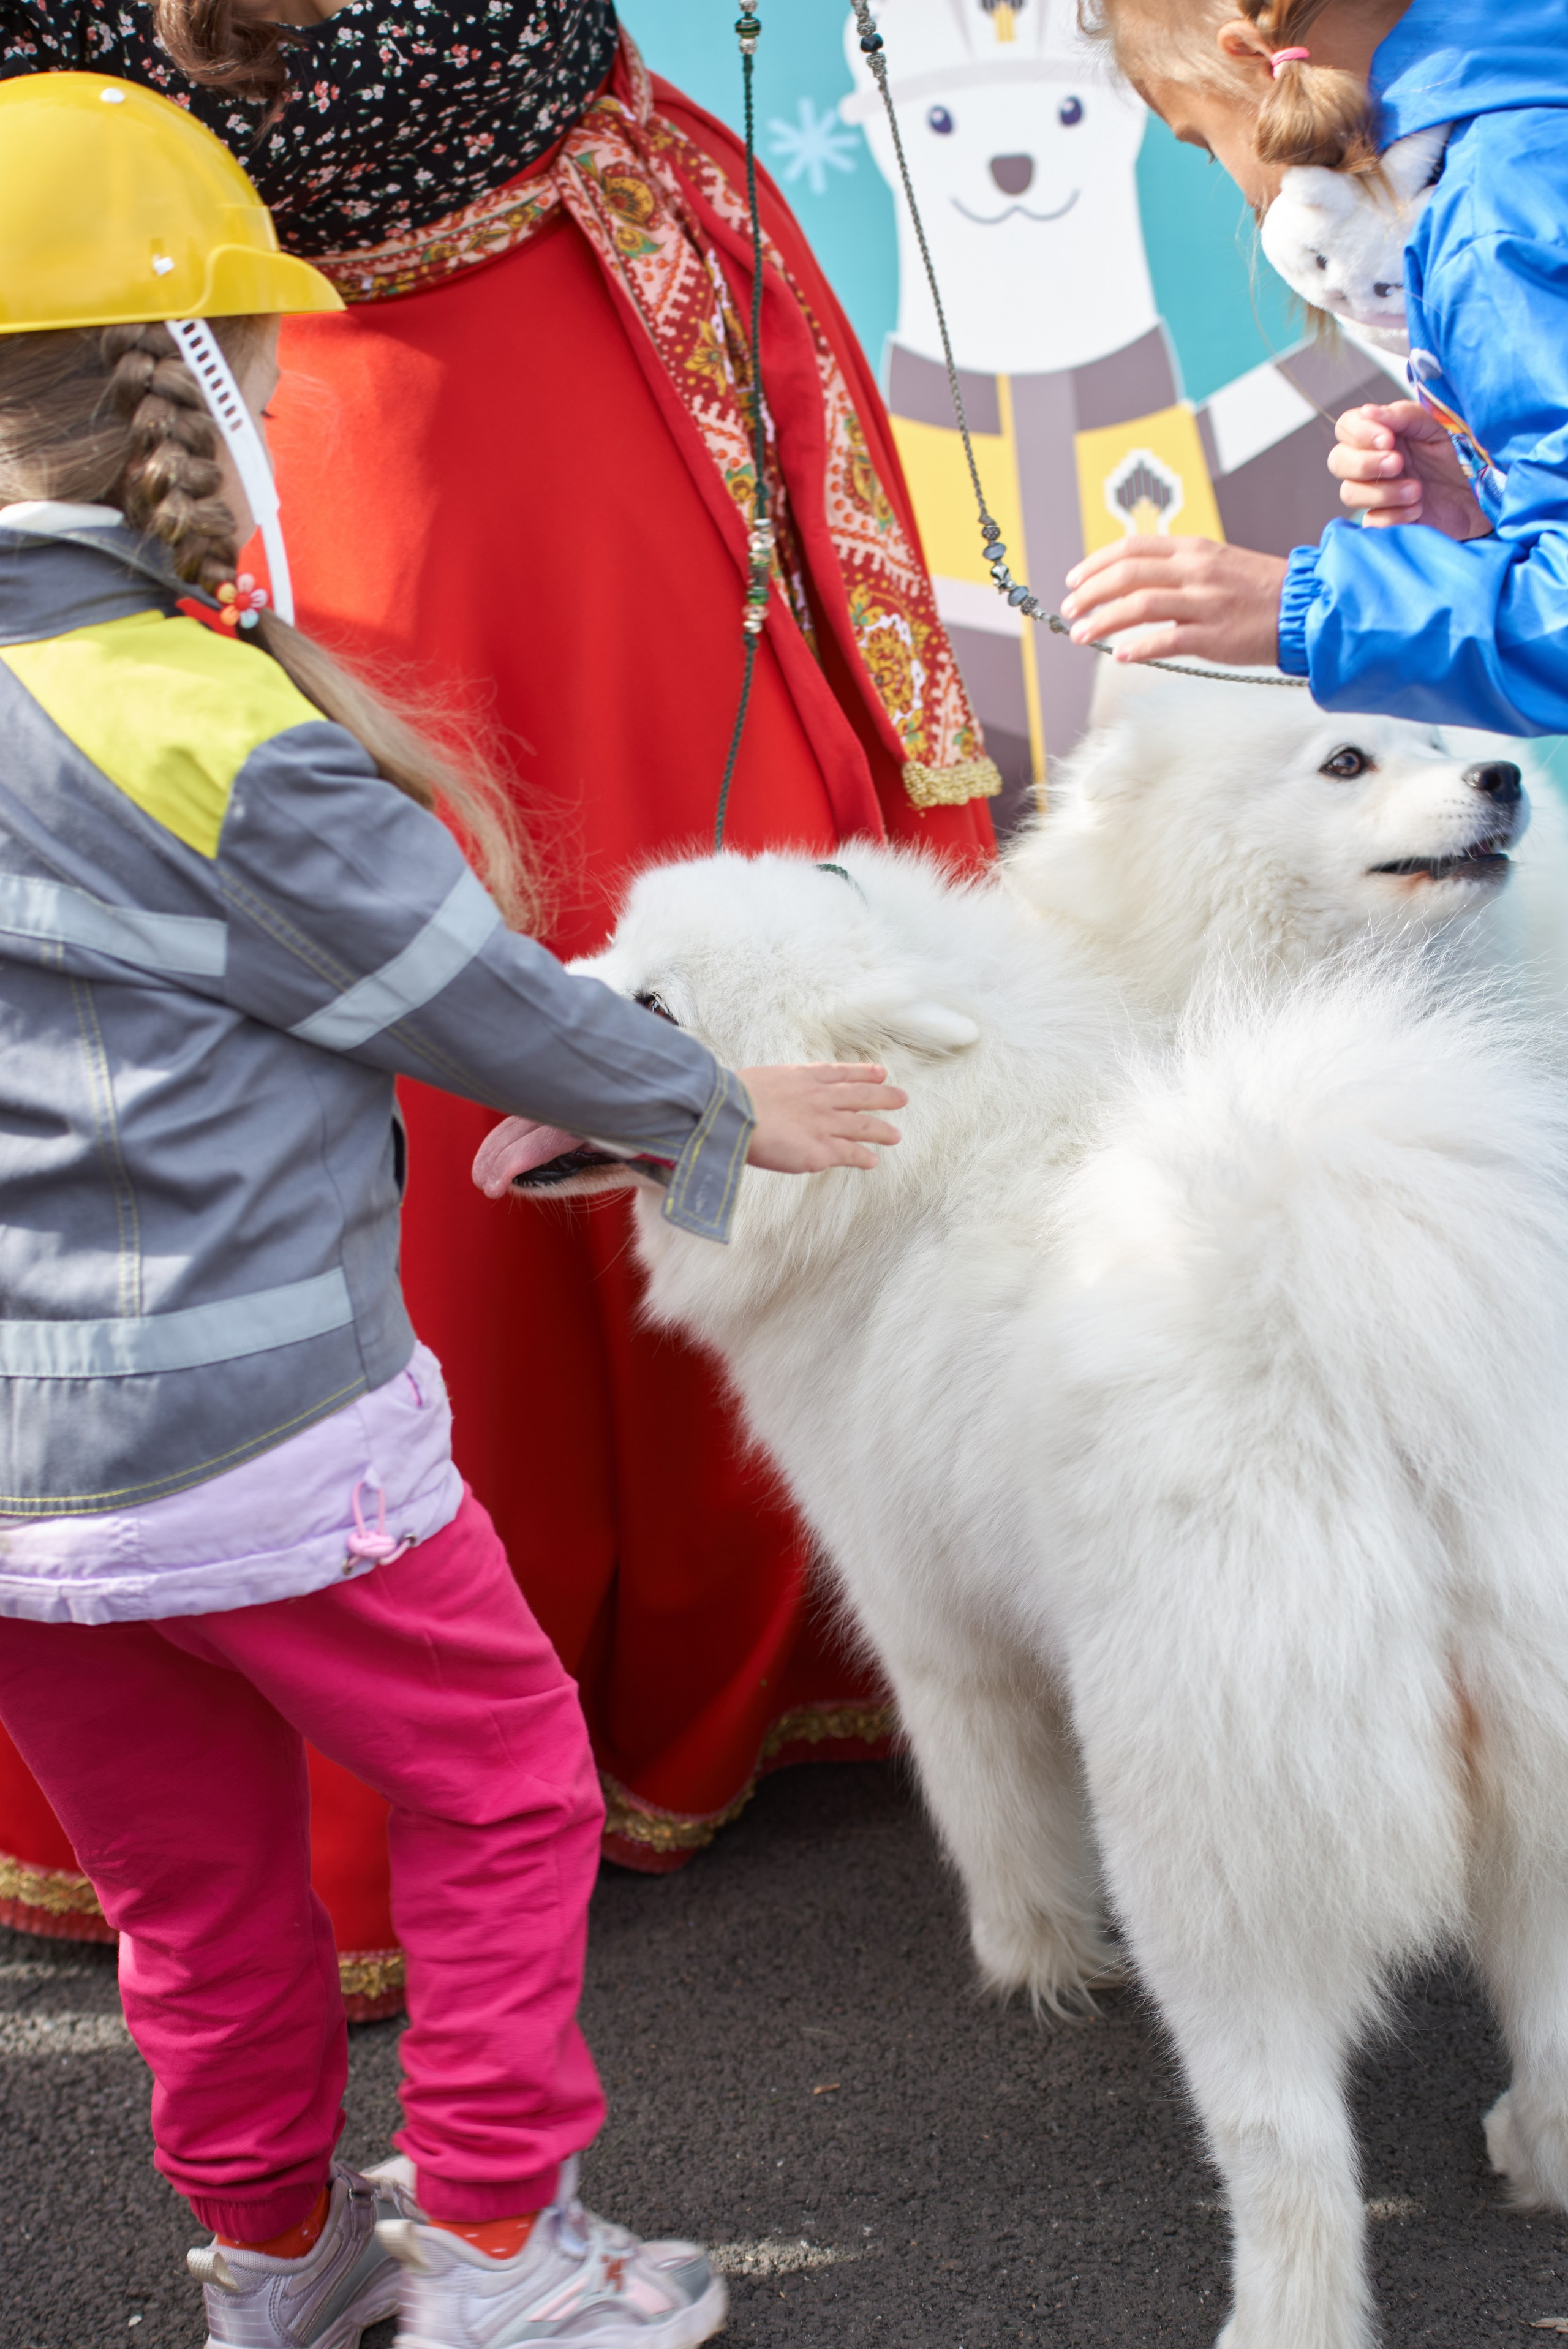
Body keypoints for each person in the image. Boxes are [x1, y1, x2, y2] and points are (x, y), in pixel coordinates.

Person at [0, 74, 910, 2349]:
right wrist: (715, 1108)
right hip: (277, 1436)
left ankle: (273, 2266)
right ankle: (501, 2248)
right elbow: (473, 999)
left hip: (18, 1492)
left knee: (187, 1898)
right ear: (221, 381)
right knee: (504, 1798)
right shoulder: (206, 726)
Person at [1055, 0, 1568, 740]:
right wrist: (1495, 488)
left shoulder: (1493, 226)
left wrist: (1304, 606)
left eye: (1205, 143)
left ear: (1251, 60)